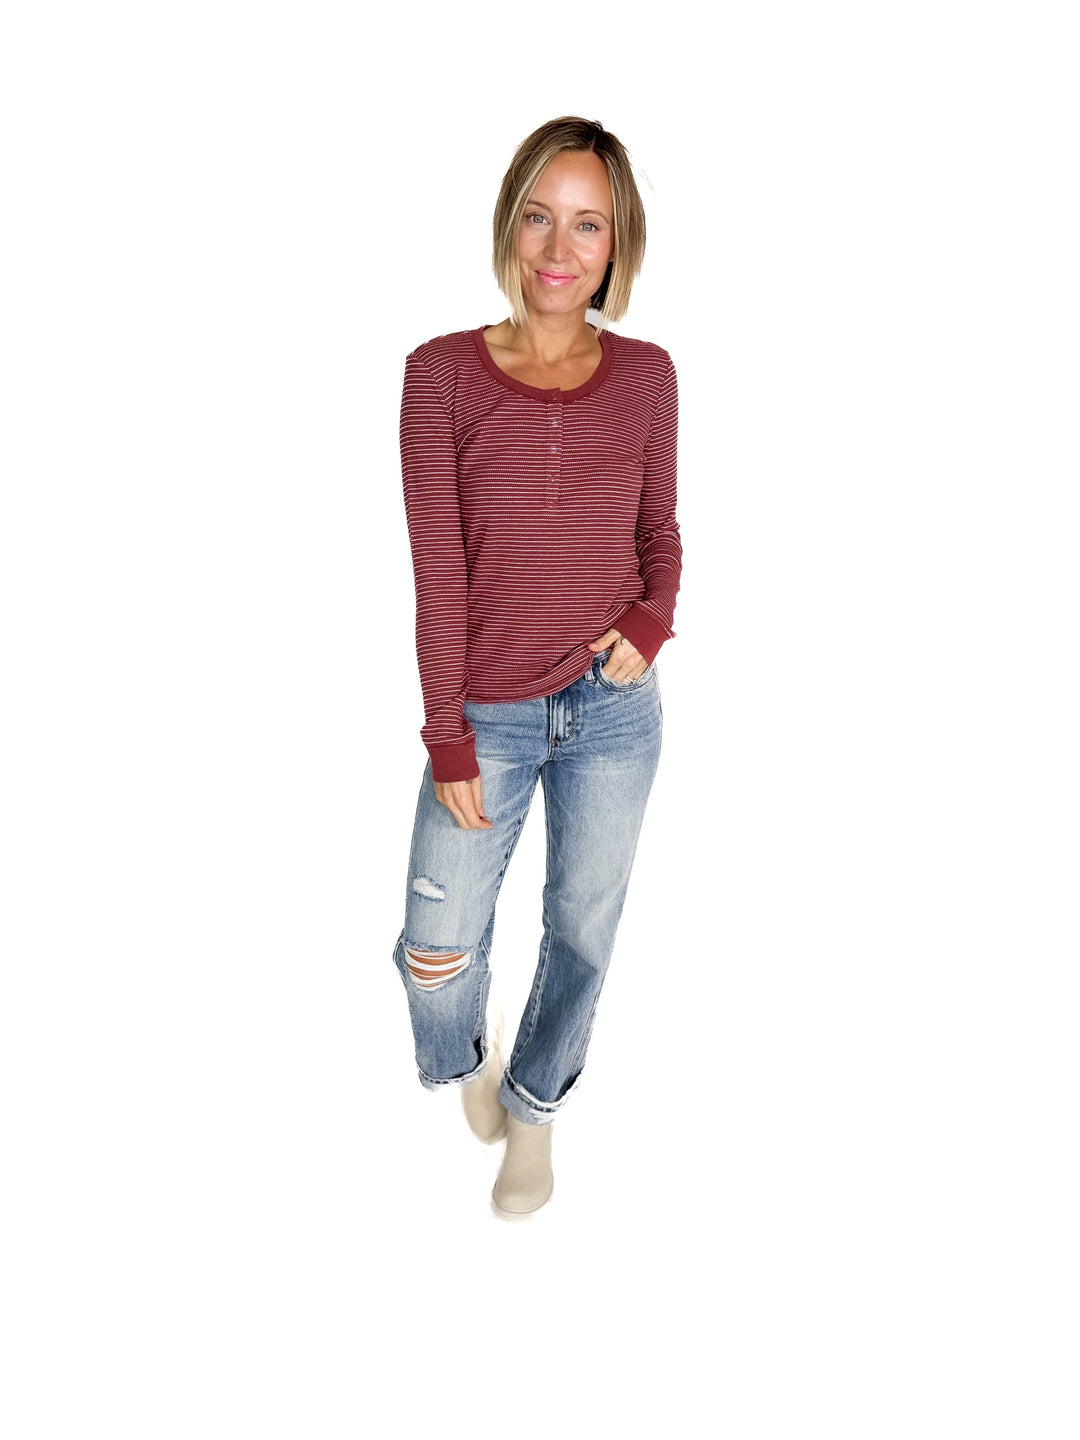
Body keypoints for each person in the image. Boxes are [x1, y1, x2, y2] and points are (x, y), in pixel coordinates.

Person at [392, 116, 681, 1219]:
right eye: (539, 218)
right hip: (488, 713)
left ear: (617, 244)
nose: (560, 249)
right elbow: (439, 572)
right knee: (436, 948)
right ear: (510, 223)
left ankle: (537, 1106)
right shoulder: (440, 375)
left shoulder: (648, 376)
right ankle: (466, 1057)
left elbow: (661, 536)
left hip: (614, 710)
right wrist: (448, 735)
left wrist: (650, 622)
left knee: (581, 930)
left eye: (588, 225)